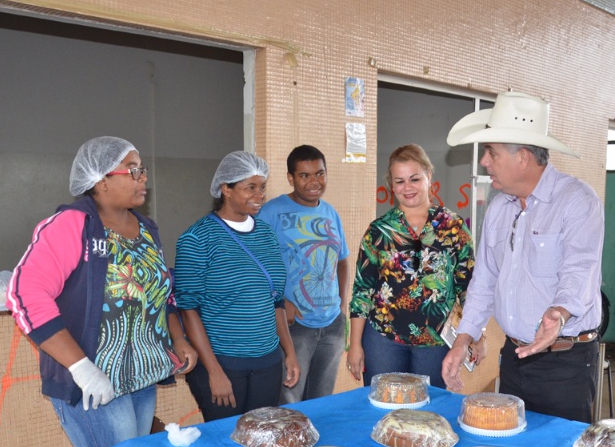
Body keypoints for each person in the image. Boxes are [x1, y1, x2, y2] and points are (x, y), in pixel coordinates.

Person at [441, 91, 604, 447]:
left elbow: (579, 273)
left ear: (524, 155)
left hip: (563, 360)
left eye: (490, 152)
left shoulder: (577, 202)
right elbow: (484, 280)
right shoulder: (500, 207)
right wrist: (465, 339)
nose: (484, 162)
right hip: (516, 360)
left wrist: (558, 313)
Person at [7, 136, 197, 447]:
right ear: (100, 181)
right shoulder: (70, 225)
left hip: (140, 375)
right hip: (96, 382)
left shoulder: (146, 229)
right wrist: (81, 368)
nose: (144, 178)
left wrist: (179, 339)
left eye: (142, 170)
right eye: (133, 170)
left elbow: (160, 291)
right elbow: (24, 293)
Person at [174, 151, 300, 421]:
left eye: (262, 187)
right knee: (225, 444)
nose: (259, 194)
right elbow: (189, 309)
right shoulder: (197, 238)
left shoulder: (265, 233)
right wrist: (214, 371)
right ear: (226, 190)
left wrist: (289, 353)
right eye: (250, 187)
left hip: (267, 362)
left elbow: (275, 300)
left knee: (260, 437)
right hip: (223, 362)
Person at [347, 144, 474, 388]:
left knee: (428, 414)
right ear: (391, 185)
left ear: (429, 176)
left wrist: (476, 335)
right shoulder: (379, 231)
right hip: (383, 341)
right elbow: (362, 291)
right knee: (384, 411)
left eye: (414, 179)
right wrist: (355, 345)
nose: (408, 188)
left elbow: (468, 285)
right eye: (400, 181)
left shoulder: (453, 226)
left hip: (436, 341)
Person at [259, 145, 350, 403]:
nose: (314, 182)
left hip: (332, 324)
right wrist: (279, 301)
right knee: (289, 401)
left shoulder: (330, 212)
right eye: (305, 175)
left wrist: (342, 304)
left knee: (321, 402)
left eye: (320, 174)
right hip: (294, 325)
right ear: (291, 178)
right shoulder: (271, 213)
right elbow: (256, 266)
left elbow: (342, 260)